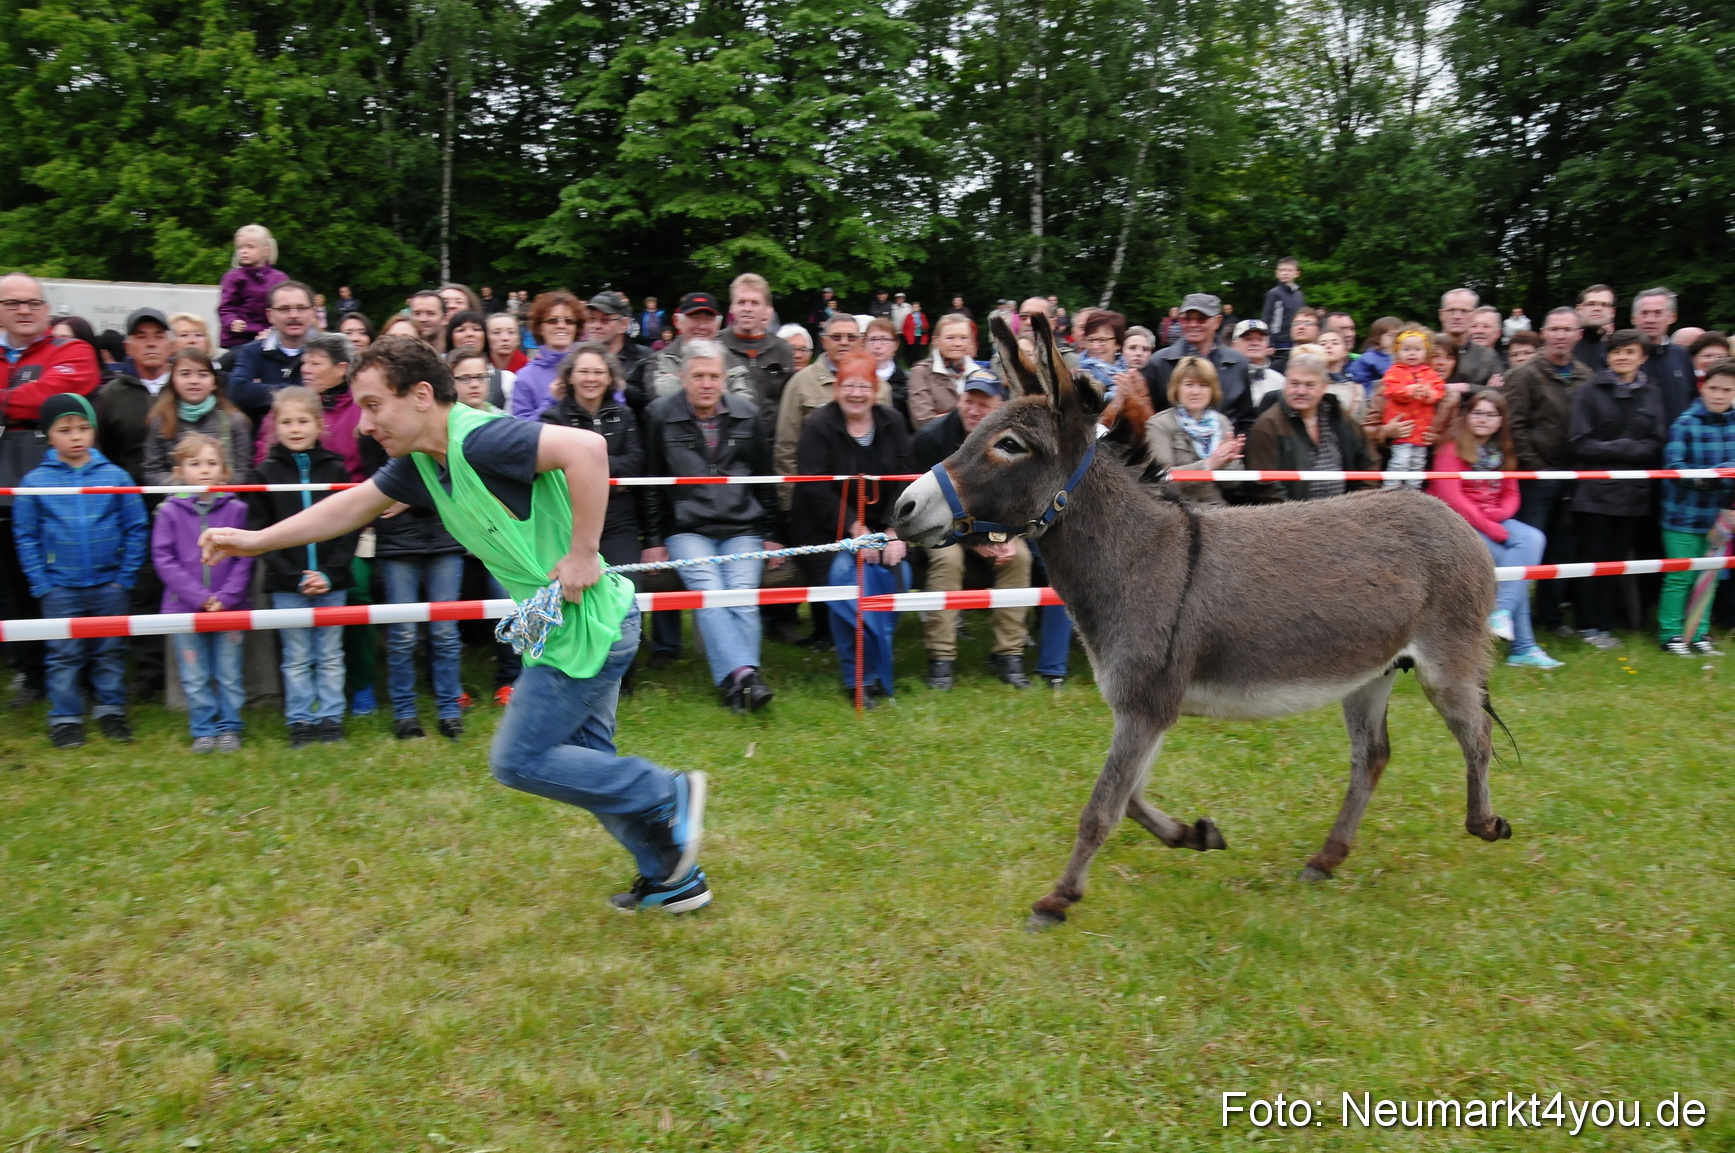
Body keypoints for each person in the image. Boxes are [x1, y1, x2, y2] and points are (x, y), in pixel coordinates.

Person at [202, 334, 711, 913]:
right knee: (585, 768)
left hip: (589, 622)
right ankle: (673, 879)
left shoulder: (482, 438)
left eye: (373, 405)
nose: (364, 425)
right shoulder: (423, 463)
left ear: (421, 396)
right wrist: (256, 540)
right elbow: (350, 506)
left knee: (518, 760)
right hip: (571, 623)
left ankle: (664, 792)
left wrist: (583, 551)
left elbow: (589, 449)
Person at [641, 341, 781, 713]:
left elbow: (765, 479)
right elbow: (651, 484)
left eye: (714, 376)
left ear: (725, 377)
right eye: (698, 376)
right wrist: (654, 540)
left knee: (742, 598)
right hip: (687, 529)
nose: (707, 383)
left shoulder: (747, 414)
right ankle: (747, 676)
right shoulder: (658, 414)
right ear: (682, 378)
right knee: (710, 592)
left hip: (743, 527)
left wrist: (771, 534)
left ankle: (738, 683)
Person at [13, 393, 147, 747]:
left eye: (83, 428)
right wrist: (42, 584)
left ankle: (111, 711)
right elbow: (25, 537)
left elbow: (136, 528)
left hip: (110, 586)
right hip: (59, 589)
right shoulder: (34, 483)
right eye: (65, 429)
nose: (76, 436)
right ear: (49, 435)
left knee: (110, 651)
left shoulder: (116, 477)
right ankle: (66, 717)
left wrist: (124, 578)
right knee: (63, 655)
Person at [2, 274, 103, 707]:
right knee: (14, 581)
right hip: (7, 484)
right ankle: (31, 674)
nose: (25, 310)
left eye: (33, 302)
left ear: (46, 308)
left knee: (68, 578)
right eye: (13, 303)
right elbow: (37, 397)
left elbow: (57, 396)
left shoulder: (73, 350)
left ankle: (84, 676)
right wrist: (21, 397)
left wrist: (11, 399)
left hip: (62, 484)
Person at [790, 353, 914, 703]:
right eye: (848, 386)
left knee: (897, 571)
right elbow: (813, 487)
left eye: (864, 386)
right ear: (836, 389)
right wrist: (853, 529)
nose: (856, 394)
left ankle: (877, 668)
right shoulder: (818, 425)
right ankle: (857, 678)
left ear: (876, 390)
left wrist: (892, 531)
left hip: (880, 528)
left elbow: (903, 481)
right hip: (823, 532)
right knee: (848, 577)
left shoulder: (893, 422)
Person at [247, 387, 359, 746]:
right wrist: (294, 577)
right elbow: (260, 534)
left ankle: (329, 720)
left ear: (318, 424)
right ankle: (300, 722)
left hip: (332, 583)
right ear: (274, 426)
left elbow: (348, 527)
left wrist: (328, 572)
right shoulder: (264, 473)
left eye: (303, 421)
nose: (295, 429)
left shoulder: (336, 468)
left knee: (329, 655)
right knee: (295, 657)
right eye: (286, 422)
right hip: (287, 585)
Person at [911, 372, 1036, 689]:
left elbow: (1018, 501)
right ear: (959, 400)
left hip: (989, 530)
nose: (973, 410)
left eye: (984, 405)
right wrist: (974, 540)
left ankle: (1009, 654)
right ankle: (941, 657)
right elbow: (924, 507)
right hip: (938, 529)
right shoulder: (930, 439)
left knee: (1018, 557)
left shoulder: (1014, 445)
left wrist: (1001, 536)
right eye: (969, 401)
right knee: (948, 561)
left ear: (1001, 408)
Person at [1428, 391, 1563, 669]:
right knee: (1516, 567)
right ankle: (1522, 646)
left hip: (1493, 519)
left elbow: (1512, 493)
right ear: (1466, 416)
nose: (1483, 420)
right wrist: (1491, 526)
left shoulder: (1503, 451)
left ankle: (1501, 612)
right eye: (1477, 413)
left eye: (1490, 415)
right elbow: (1452, 499)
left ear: (1501, 420)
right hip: (1456, 523)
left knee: (1533, 539)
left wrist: (1498, 516)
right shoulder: (1450, 449)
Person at [153, 434, 254, 750]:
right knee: (194, 675)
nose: (205, 470)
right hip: (184, 609)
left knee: (228, 672)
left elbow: (244, 558)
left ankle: (229, 728)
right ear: (180, 471)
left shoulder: (237, 509)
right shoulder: (168, 511)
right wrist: (200, 597)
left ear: (224, 471)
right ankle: (203, 729)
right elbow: (164, 560)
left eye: (212, 463)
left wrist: (224, 598)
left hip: (230, 609)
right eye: (195, 464)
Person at [1569, 330, 1665, 650]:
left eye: (1629, 351)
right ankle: (1586, 624)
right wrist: (1626, 447)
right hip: (1594, 492)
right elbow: (1580, 442)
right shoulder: (1588, 392)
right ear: (1607, 356)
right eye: (1616, 351)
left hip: (1634, 494)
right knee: (1591, 559)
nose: (1622, 357)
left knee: (1617, 562)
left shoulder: (1652, 393)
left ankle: (1605, 624)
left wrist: (1619, 449)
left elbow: (1656, 443)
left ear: (1642, 356)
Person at [1504, 307, 1595, 636]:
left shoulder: (1587, 375)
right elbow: (1513, 427)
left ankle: (1551, 618)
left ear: (1578, 335)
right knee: (1530, 550)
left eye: (1567, 329)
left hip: (1575, 476)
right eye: (1554, 329)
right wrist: (1537, 467)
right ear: (1543, 333)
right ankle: (1514, 621)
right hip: (1536, 479)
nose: (1560, 335)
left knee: (1562, 550)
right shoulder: (1524, 374)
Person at [1657, 359, 1735, 655]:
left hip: (1721, 517)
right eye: (1713, 388)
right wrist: (1720, 474)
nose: (1718, 395)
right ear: (1703, 386)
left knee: (1710, 575)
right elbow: (1675, 469)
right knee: (1680, 575)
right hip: (1682, 517)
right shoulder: (1686, 422)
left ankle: (1698, 632)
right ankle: (1671, 634)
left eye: (1726, 390)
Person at [1244, 352, 1376, 501]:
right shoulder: (1267, 425)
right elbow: (1265, 485)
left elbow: (1370, 461)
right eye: (1294, 384)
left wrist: (1362, 500)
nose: (1301, 391)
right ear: (1285, 384)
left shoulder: (1336, 415)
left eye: (1310, 385)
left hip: (1344, 513)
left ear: (1324, 387)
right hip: (1291, 519)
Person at [775, 312, 891, 481]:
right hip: (816, 489)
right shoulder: (799, 383)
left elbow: (888, 446)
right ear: (824, 341)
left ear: (861, 342)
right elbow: (786, 446)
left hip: (868, 490)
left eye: (851, 337)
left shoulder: (880, 386)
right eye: (836, 337)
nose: (844, 342)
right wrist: (789, 498)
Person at [252, 330, 364, 480]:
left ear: (341, 368)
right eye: (304, 362)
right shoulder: (288, 404)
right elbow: (263, 455)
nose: (305, 370)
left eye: (315, 364)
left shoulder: (361, 407)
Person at [1144, 356, 1247, 506]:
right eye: (1189, 384)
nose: (1195, 392)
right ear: (1177, 389)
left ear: (1212, 390)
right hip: (1176, 511)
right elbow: (1161, 481)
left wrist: (1228, 462)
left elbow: (1234, 484)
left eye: (1203, 385)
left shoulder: (1222, 422)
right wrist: (1208, 465)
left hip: (1217, 510)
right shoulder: (1158, 424)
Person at [1144, 293, 1254, 431]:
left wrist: (1236, 447)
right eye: (1187, 319)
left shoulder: (1238, 363)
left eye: (1201, 319)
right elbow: (1150, 418)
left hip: (1226, 446)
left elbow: (1246, 419)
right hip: (1173, 449)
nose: (1193, 324)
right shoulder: (1159, 362)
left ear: (1217, 321)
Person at [141, 349, 252, 485]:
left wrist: (216, 486)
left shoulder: (235, 420)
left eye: (202, 375)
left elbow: (243, 472)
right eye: (185, 374)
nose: (194, 381)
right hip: (178, 501)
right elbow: (152, 471)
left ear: (214, 382)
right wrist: (187, 485)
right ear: (173, 381)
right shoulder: (160, 421)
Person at [95, 307, 176, 484]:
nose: (151, 343)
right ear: (127, 348)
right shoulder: (110, 396)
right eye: (141, 337)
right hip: (129, 497)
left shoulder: (186, 387)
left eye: (158, 336)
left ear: (171, 346)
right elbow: (103, 452)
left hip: (185, 500)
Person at [1366, 327, 1448, 487]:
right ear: (1397, 352)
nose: (1412, 353)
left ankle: (1413, 493)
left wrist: (1429, 393)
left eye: (1417, 349)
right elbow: (1392, 390)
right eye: (1406, 349)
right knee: (1400, 462)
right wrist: (1410, 390)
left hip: (1421, 431)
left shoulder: (1430, 373)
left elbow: (1439, 390)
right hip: (1402, 430)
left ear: (1426, 352)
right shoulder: (1394, 372)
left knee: (1417, 464)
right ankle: (1390, 491)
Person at [227, 280, 315, 421]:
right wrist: (304, 391)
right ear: (270, 315)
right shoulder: (251, 352)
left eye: (301, 308)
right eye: (284, 309)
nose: (294, 315)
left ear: (313, 313)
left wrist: (262, 390)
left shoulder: (327, 352)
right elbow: (238, 392)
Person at [718, 274, 795, 426]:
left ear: (766, 309)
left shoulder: (782, 350)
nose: (747, 309)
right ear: (731, 307)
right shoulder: (715, 346)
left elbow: (788, 404)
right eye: (741, 302)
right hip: (726, 438)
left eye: (754, 303)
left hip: (769, 440)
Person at [510, 290, 583, 420]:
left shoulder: (594, 367)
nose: (561, 326)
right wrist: (551, 401)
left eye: (569, 321)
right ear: (539, 327)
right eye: (553, 321)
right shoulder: (525, 376)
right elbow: (521, 431)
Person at [1631, 287, 1697, 426]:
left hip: (1678, 441)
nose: (1650, 319)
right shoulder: (1618, 357)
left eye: (1657, 313)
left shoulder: (1682, 356)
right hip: (1635, 444)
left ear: (1672, 317)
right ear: (1634, 319)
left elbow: (1693, 400)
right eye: (1644, 313)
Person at [218, 224, 289, 349]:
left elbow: (285, 308)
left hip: (270, 337)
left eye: (250, 247)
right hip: (239, 339)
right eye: (240, 247)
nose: (244, 251)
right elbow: (225, 307)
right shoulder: (233, 277)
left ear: (266, 250)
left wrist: (274, 330)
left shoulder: (279, 278)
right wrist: (232, 322)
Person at [906, 314, 980, 429]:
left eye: (964, 338)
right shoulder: (921, 373)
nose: (957, 343)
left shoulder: (979, 373)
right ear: (936, 341)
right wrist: (970, 417)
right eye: (950, 338)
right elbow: (923, 422)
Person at [650, 292, 724, 399]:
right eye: (695, 318)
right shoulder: (658, 359)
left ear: (718, 325)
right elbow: (660, 398)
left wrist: (679, 382)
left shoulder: (731, 357)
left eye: (709, 319)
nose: (702, 326)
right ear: (677, 321)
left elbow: (746, 402)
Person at [583, 290, 652, 402]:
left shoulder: (645, 358)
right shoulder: (576, 357)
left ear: (623, 324)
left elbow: (652, 405)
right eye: (591, 319)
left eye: (605, 320)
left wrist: (619, 386)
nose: (596, 325)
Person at [1437, 289, 1500, 387]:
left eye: (1464, 311)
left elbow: (1499, 392)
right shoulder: (1426, 349)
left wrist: (1466, 388)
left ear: (1474, 315)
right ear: (1441, 315)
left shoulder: (1487, 356)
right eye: (1451, 311)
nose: (1457, 316)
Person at [1233, 318, 1286, 409]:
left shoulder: (1280, 381)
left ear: (1267, 345)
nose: (1255, 343)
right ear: (1234, 345)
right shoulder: (1224, 378)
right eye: (1248, 339)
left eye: (1260, 339)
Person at [863, 316, 909, 421]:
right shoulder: (854, 378)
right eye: (872, 339)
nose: (877, 346)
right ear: (864, 343)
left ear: (896, 344)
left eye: (884, 339)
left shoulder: (907, 381)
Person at [1262, 256, 1305, 362]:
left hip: (1296, 342)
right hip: (1278, 344)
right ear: (1276, 273)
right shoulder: (1274, 294)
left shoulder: (1299, 295)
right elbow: (1266, 319)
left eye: (1289, 270)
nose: (1285, 273)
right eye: (1282, 270)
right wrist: (1269, 343)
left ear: (1297, 273)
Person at [1076, 310, 1127, 395]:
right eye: (1091, 340)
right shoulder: (1077, 376)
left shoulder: (1130, 376)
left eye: (1102, 340)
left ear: (1118, 343)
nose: (1095, 346)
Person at [1348, 316, 1403, 393]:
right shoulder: (1369, 358)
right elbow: (1357, 378)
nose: (1395, 339)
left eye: (1399, 335)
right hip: (1373, 398)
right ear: (1378, 338)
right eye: (1390, 335)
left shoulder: (1404, 356)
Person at [1574, 283, 1617, 372]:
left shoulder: (1618, 350)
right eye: (1591, 304)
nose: (1597, 308)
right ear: (1579, 309)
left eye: (1604, 304)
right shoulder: (1565, 345)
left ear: (1612, 312)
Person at [486, 310, 527, 376]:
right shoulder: (477, 368)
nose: (505, 338)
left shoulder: (528, 369)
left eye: (511, 332)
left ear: (518, 339)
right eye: (497, 332)